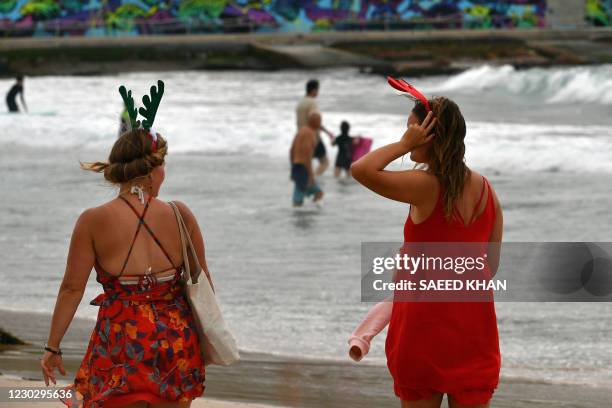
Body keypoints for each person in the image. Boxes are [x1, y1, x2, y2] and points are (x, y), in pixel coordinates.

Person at [41, 83, 210, 407]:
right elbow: (204, 285)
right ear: (150, 170)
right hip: (176, 343)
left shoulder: (92, 221)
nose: (164, 173)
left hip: (122, 342)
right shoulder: (180, 214)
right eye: (163, 164)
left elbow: (71, 289)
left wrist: (52, 347)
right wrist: (205, 343)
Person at [351, 92, 503, 408]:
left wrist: (403, 146)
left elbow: (362, 169)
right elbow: (491, 265)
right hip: (474, 330)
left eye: (412, 129)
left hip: (423, 328)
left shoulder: (425, 185)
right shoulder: (487, 190)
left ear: (429, 134)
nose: (408, 135)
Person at [295, 79, 333, 176]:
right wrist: (327, 132)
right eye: (317, 90)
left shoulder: (300, 103)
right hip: (313, 137)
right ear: (313, 90)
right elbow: (314, 120)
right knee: (325, 163)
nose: (318, 92)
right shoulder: (312, 103)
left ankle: (308, 182)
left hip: (300, 137)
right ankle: (313, 181)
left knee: (306, 163)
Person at [290, 111, 324, 206]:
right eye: (320, 121)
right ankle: (306, 217)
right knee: (316, 194)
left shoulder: (302, 130)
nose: (321, 123)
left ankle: (303, 216)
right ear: (315, 121)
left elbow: (291, 150)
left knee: (300, 195)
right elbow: (307, 156)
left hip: (297, 166)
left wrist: (292, 166)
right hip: (303, 168)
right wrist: (311, 175)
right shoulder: (309, 134)